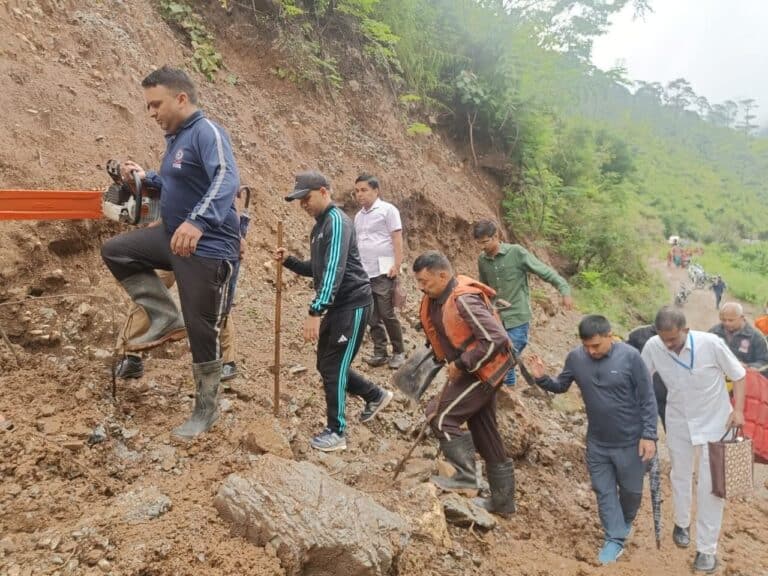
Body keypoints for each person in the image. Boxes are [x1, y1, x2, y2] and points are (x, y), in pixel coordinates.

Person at [101, 66, 240, 439]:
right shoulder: (176, 139)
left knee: (202, 330)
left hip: (207, 246)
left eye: (155, 104)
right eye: (148, 106)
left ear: (181, 98)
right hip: (173, 237)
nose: (152, 113)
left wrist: (198, 222)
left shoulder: (208, 132)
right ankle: (164, 315)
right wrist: (144, 178)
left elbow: (227, 178)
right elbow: (177, 183)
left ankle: (206, 411)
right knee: (117, 251)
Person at [277, 171, 393, 452]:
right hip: (338, 306)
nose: (303, 204)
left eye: (307, 198)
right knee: (327, 365)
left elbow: (334, 272)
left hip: (352, 304)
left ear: (324, 192)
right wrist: (290, 262)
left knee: (335, 368)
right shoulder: (319, 228)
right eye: (299, 200)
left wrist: (315, 310)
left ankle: (337, 431)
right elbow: (317, 269)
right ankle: (375, 395)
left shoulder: (337, 223)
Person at [527, 315, 658, 565]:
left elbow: (647, 399)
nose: (591, 351)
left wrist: (649, 435)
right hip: (598, 442)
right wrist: (543, 378)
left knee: (631, 493)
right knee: (604, 490)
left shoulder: (631, 357)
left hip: (631, 441)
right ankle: (615, 539)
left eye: (596, 345)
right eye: (586, 346)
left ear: (610, 335)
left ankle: (623, 524)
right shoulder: (576, 358)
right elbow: (561, 386)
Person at [641, 306, 746, 573]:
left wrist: (740, 410)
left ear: (685, 331)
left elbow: (739, 375)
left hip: (717, 422)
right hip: (678, 420)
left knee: (712, 486)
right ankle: (682, 522)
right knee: (680, 474)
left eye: (673, 339)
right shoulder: (654, 346)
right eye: (663, 338)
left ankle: (706, 550)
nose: (668, 344)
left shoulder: (711, 344)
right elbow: (641, 380)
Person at [412, 251, 516, 516]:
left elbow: (496, 339)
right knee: (485, 432)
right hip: (473, 368)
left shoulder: (464, 298)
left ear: (443, 275)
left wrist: (461, 363)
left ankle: (466, 476)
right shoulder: (436, 298)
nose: (421, 287)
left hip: (484, 370)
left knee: (440, 416)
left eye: (425, 282)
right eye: (419, 282)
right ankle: (503, 504)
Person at [472, 220, 572, 386]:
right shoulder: (482, 260)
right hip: (496, 319)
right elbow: (485, 289)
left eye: (485, 242)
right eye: (479, 243)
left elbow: (544, 271)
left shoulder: (516, 252)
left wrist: (564, 289)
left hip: (518, 318)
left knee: (507, 356)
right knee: (500, 357)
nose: (482, 247)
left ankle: (508, 392)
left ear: (495, 236)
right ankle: (506, 393)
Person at [353, 174, 406, 369]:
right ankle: (380, 351)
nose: (360, 194)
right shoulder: (359, 216)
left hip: (384, 270)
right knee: (371, 314)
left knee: (386, 312)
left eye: (364, 190)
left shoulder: (388, 210)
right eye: (357, 191)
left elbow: (396, 238)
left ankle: (399, 351)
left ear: (376, 190)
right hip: (363, 271)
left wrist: (397, 264)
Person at [626, 324, 668, 431]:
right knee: (644, 427)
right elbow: (627, 358)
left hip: (666, 391)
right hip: (644, 390)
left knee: (671, 427)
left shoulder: (674, 335)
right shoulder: (637, 334)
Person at [709, 302, 768, 374]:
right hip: (718, 377)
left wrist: (747, 367)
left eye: (731, 320)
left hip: (745, 379)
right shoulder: (713, 333)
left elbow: (764, 362)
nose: (727, 323)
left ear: (742, 318)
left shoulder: (756, 337)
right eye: (724, 320)